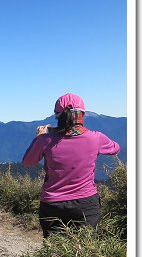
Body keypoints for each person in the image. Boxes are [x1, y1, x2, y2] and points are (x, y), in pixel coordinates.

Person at [22, 93, 120, 238]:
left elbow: (27, 162)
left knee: (54, 252)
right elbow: (115, 148)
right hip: (86, 204)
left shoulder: (45, 140)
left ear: (57, 116)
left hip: (52, 205)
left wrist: (38, 138)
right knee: (85, 250)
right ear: (82, 115)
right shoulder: (96, 138)